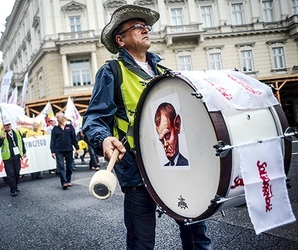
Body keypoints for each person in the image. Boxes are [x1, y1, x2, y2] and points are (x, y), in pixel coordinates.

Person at [82, 4, 211, 250]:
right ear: (120, 40)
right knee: (141, 242)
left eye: (146, 26)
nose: (145, 30)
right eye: (138, 26)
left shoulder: (164, 71)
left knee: (197, 234)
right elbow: (94, 119)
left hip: (177, 167)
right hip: (136, 169)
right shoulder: (112, 72)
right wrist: (104, 139)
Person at [0, 119, 26, 196]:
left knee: (17, 172)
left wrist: (24, 152)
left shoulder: (17, 132)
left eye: (9, 124)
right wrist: (2, 138)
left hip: (16, 156)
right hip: (8, 157)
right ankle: (13, 189)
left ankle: (15, 185)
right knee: (10, 174)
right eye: (6, 125)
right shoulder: (1, 134)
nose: (8, 126)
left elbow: (21, 142)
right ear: (4, 126)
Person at [50, 112, 79, 190]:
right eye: (56, 118)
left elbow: (74, 138)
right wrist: (52, 151)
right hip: (58, 150)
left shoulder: (69, 126)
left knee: (70, 166)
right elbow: (52, 141)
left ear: (62, 117)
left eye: (58, 117)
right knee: (61, 166)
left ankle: (68, 179)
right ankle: (64, 182)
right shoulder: (55, 129)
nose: (57, 119)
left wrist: (77, 148)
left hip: (69, 149)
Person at [155, 102, 189, 166]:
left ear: (177, 125)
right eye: (162, 140)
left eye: (167, 135)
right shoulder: (165, 167)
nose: (165, 145)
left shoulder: (187, 163)